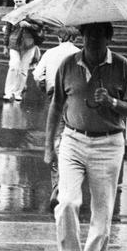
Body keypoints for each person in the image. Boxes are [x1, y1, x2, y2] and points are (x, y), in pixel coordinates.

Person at [44, 22, 127, 251]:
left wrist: (111, 102)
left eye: (99, 36)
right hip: (73, 139)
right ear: (81, 36)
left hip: (108, 143)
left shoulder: (121, 66)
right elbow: (56, 105)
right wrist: (48, 145)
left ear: (109, 38)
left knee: (102, 210)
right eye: (88, 35)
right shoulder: (68, 64)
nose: (93, 41)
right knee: (66, 203)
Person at [34, 27, 79, 200]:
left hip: (55, 97)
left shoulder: (50, 53)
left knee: (56, 138)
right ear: (74, 38)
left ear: (59, 38)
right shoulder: (79, 54)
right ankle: (67, 185)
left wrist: (45, 88)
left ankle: (57, 185)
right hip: (75, 99)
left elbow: (38, 75)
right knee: (72, 137)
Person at [1, 0, 43, 102]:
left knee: (24, 69)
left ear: (25, 1)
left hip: (29, 44)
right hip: (14, 43)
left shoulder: (32, 12)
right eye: (16, 2)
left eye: (20, 1)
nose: (18, 3)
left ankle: (18, 92)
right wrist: (5, 45)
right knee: (14, 66)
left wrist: (29, 25)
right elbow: (7, 31)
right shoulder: (12, 14)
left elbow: (40, 25)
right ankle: (8, 92)